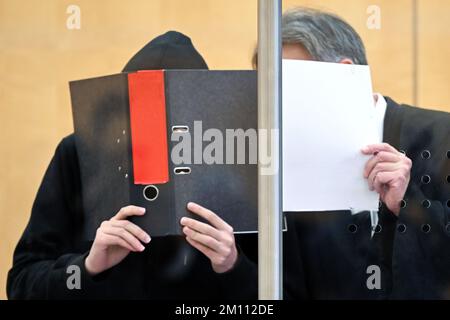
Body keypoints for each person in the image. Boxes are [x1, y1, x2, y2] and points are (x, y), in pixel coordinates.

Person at [7, 31, 257, 300]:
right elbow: (22, 285)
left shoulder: (236, 162)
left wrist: (233, 265)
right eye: (144, 112)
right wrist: (88, 267)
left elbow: (282, 294)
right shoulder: (78, 156)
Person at [272, 7, 450, 299]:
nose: (276, 102)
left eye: (287, 83)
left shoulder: (442, 134)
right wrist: (231, 264)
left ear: (343, 73)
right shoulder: (284, 165)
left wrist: (408, 203)